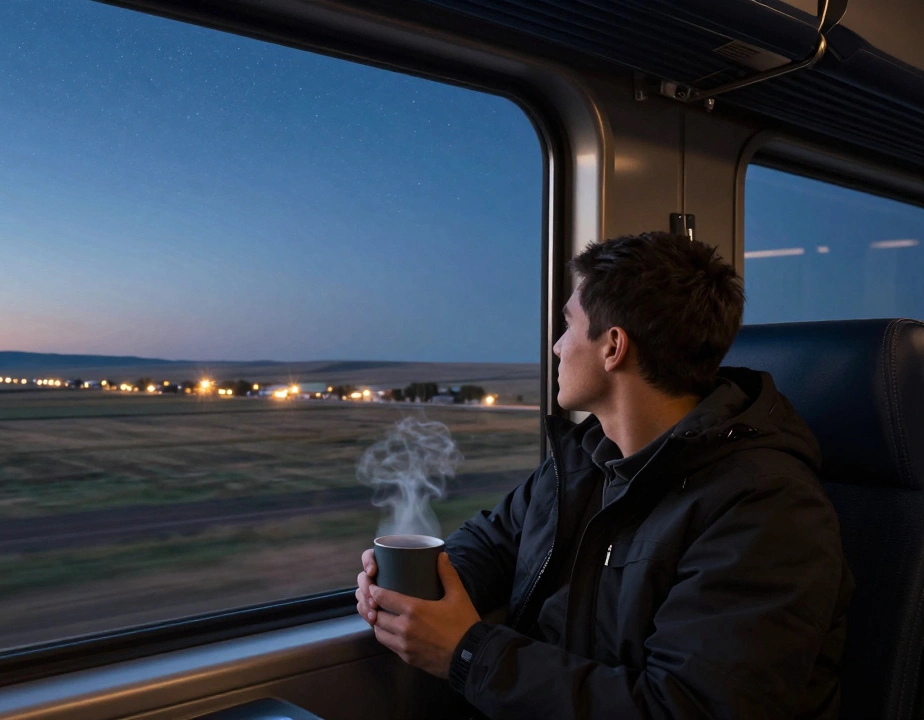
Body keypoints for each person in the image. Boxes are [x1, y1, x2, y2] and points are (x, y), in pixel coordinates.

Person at [355, 232, 853, 718]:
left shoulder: (768, 511)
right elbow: (490, 544)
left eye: (569, 325)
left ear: (613, 346)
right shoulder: (584, 462)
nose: (556, 347)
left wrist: (470, 654)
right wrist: (406, 588)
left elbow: (686, 706)